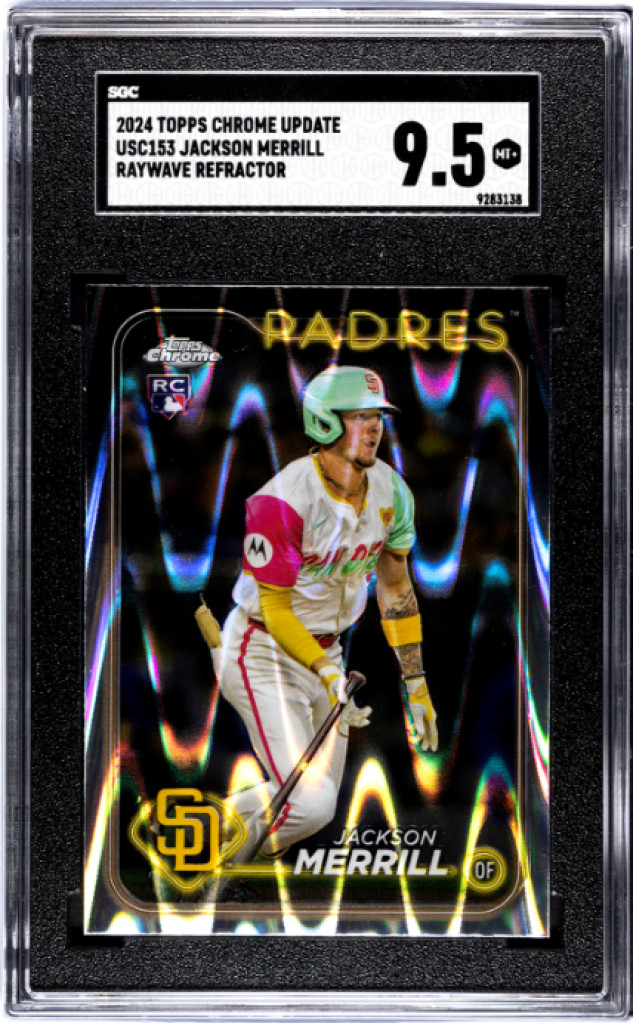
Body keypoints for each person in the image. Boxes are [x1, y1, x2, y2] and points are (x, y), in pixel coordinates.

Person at [216, 365, 438, 859]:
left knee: (313, 805)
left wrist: (416, 684)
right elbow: (275, 609)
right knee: (310, 805)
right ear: (324, 422)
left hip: (328, 654)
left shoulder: (392, 492)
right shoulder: (282, 500)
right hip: (262, 649)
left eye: (378, 416)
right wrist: (325, 672)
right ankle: (206, 864)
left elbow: (396, 588)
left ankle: (196, 840)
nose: (375, 427)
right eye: (360, 416)